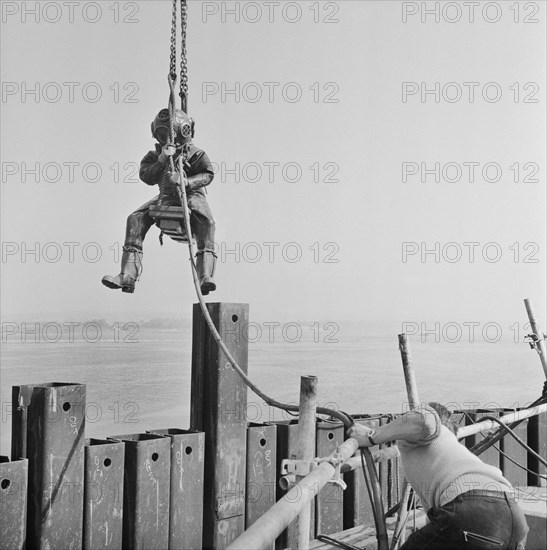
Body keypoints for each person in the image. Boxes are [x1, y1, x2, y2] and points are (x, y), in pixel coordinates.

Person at [347, 403, 529, 549]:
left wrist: (372, 435)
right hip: (515, 519)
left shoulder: (435, 433)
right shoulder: (450, 455)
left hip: (474, 511)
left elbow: (426, 419)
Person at [102, 108, 217, 295]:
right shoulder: (155, 156)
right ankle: (127, 276)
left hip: (191, 195)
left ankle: (205, 275)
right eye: (162, 135)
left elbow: (208, 174)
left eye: (168, 133)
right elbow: (146, 176)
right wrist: (162, 159)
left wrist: (186, 181)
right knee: (135, 219)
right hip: (165, 197)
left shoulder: (195, 154)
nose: (166, 138)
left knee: (207, 222)